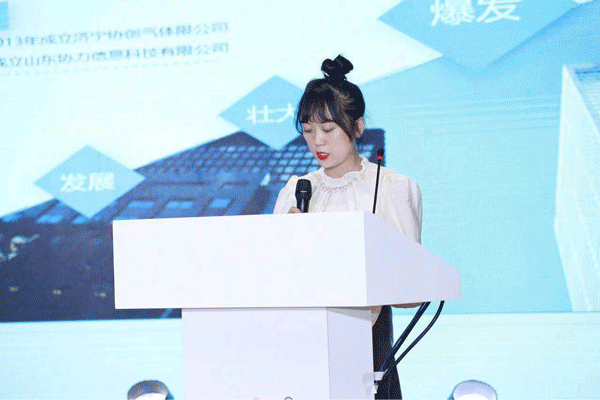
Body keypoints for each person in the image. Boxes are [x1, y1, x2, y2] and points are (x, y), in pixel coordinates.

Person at [273, 55, 423, 399]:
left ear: (357, 127)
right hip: (302, 349)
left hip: (368, 350)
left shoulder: (391, 188)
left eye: (328, 130)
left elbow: (413, 293)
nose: (317, 142)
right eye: (308, 131)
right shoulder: (296, 190)